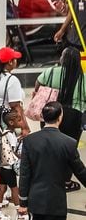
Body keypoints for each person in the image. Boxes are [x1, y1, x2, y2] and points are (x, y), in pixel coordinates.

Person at [18, 102, 86, 220]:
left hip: (35, 201)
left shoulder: (30, 141)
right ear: (60, 117)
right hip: (56, 202)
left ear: (42, 117)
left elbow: (25, 173)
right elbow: (80, 171)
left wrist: (23, 201)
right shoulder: (68, 143)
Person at [33, 47, 86, 192]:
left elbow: (37, 85)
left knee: (48, 145)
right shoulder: (83, 78)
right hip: (73, 117)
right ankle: (65, 181)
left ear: (62, 59)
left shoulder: (50, 72)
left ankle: (46, 175)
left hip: (50, 112)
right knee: (69, 148)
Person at [0, 47, 30, 136]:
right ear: (10, 62)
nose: (16, 61)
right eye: (15, 59)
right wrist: (25, 127)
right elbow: (16, 107)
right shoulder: (12, 80)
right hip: (4, 123)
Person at [0, 110, 27, 220]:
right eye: (19, 120)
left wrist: (19, 139)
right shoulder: (11, 135)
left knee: (2, 188)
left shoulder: (5, 132)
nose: (21, 122)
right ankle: (20, 213)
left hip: (2, 166)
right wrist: (22, 156)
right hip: (9, 167)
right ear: (11, 122)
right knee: (15, 190)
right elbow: (12, 151)